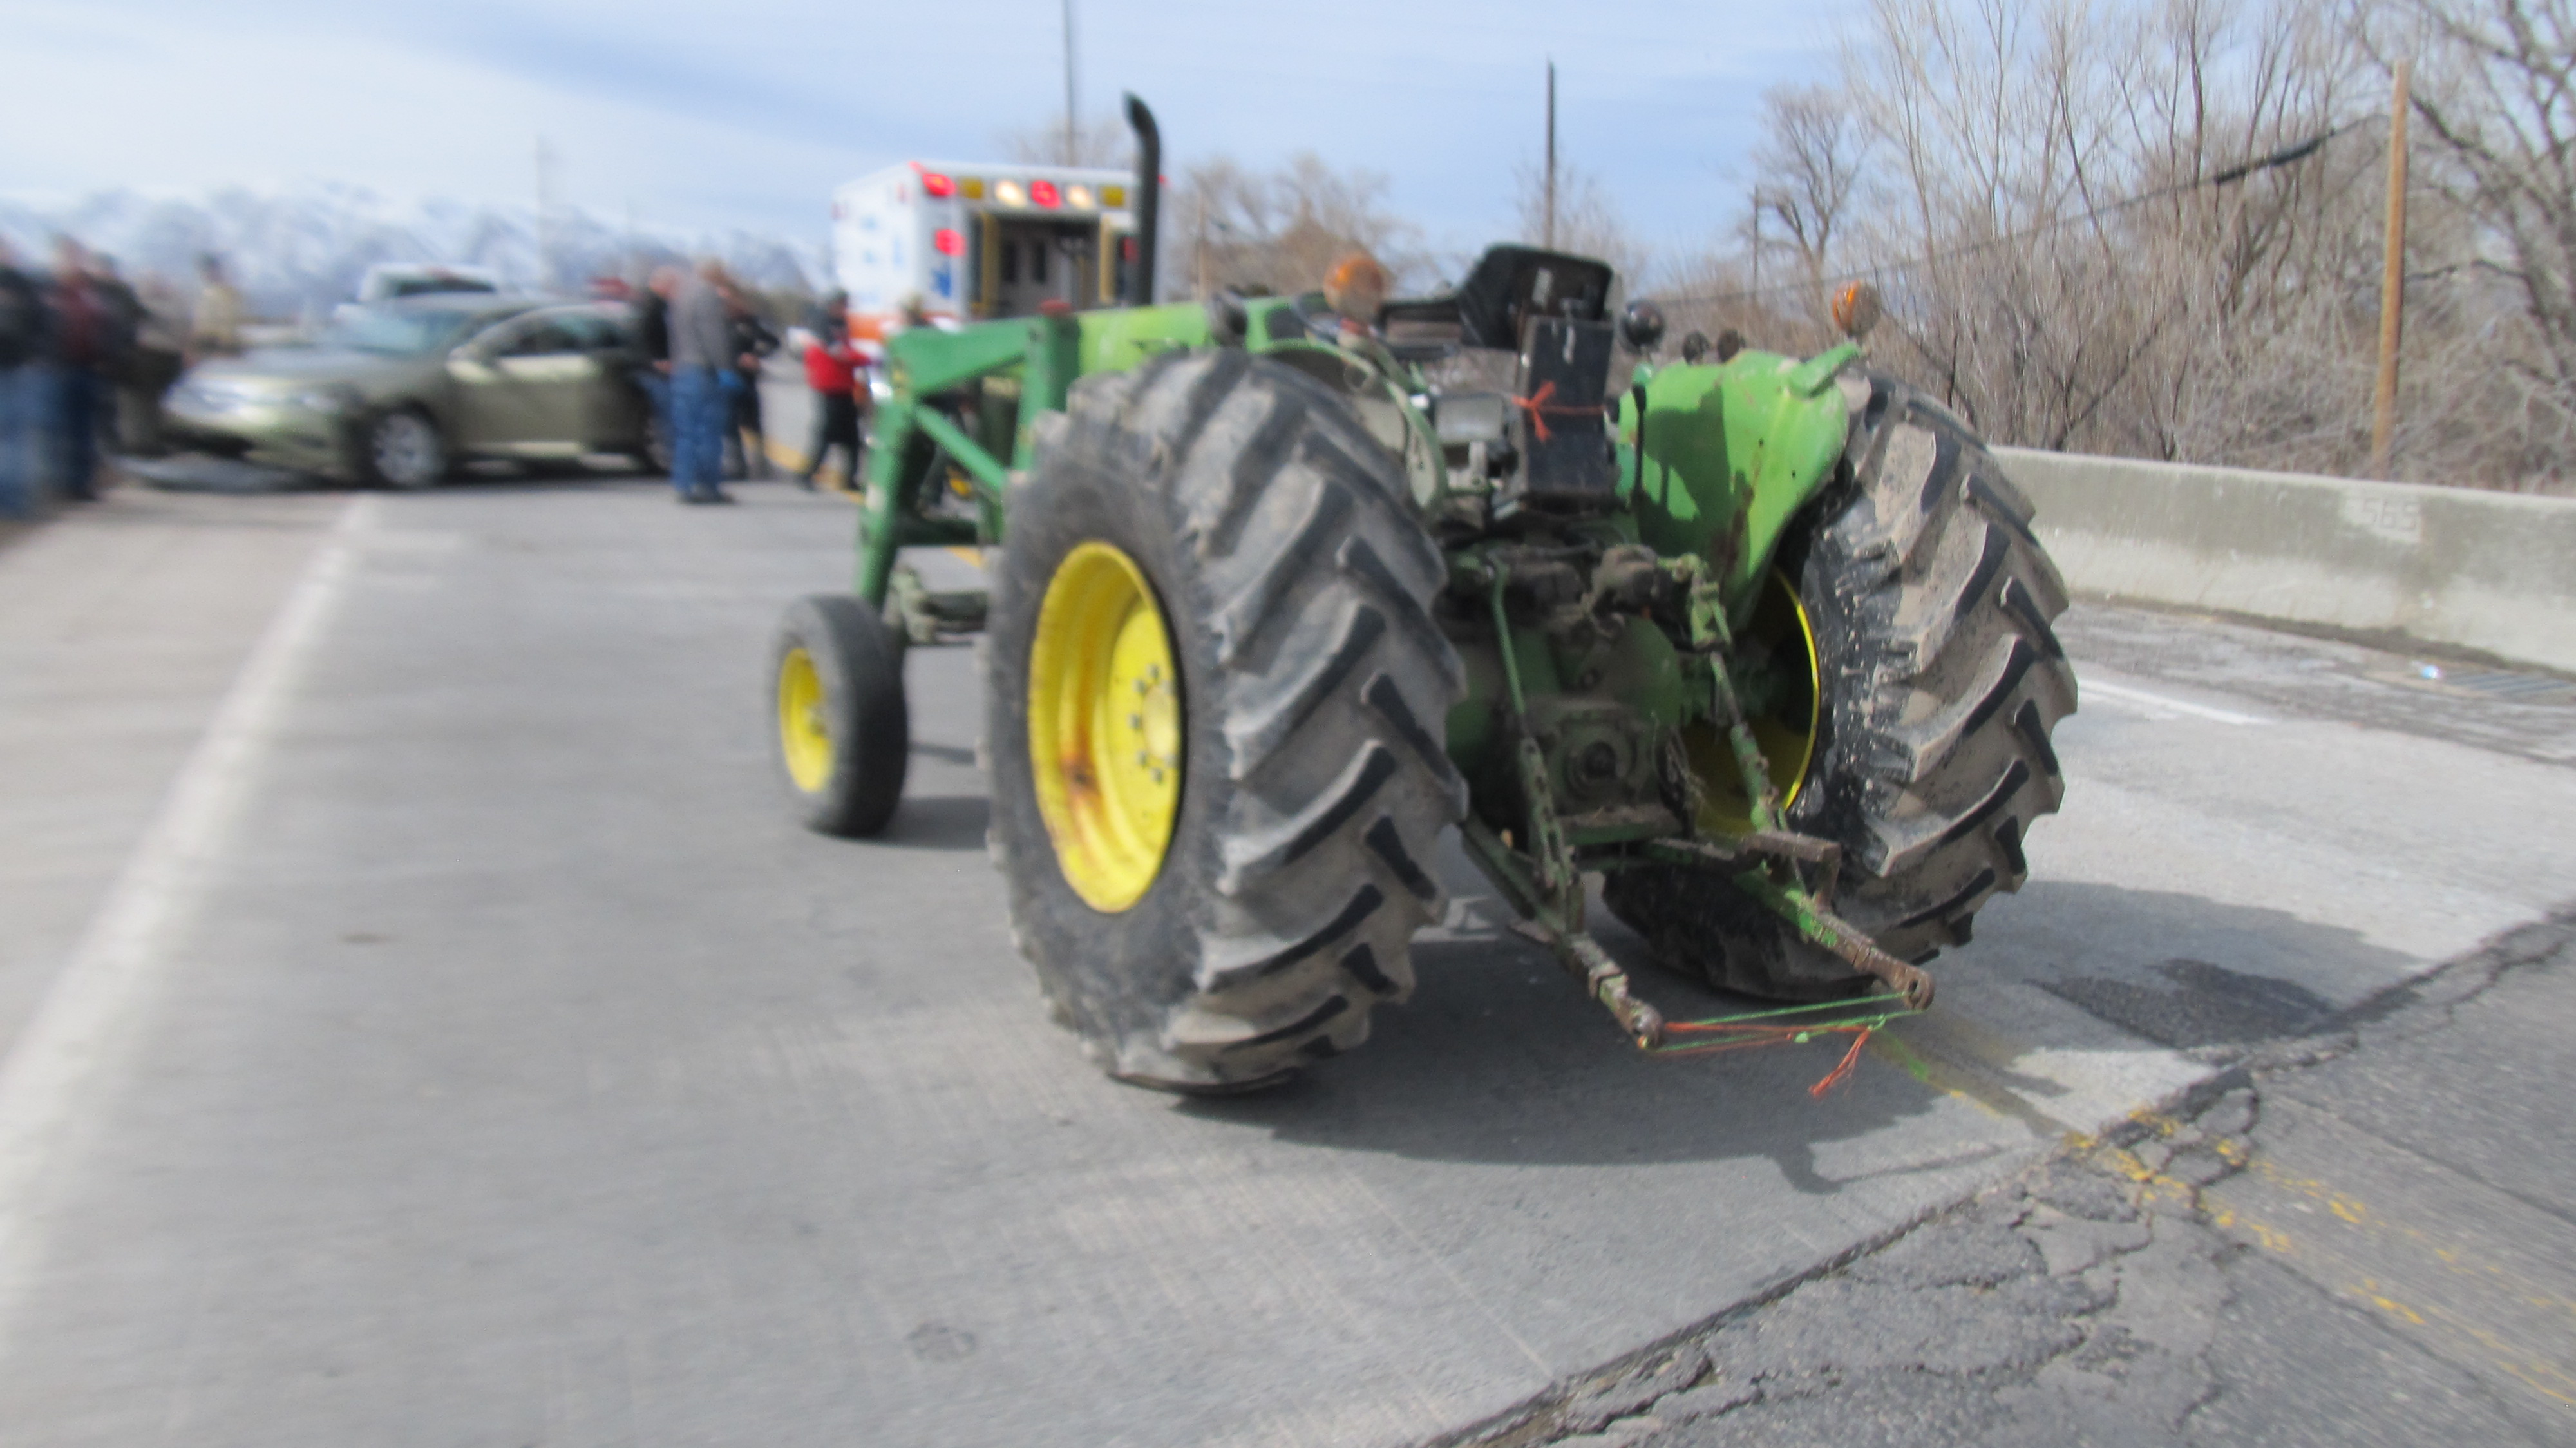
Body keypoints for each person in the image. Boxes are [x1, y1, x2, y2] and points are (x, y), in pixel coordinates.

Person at [44, 238, 111, 501]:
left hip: (88, 367)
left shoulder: (93, 291)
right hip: (57, 367)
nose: (73, 262)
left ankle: (80, 484)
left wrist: (107, 355)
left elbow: (108, 326)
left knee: (84, 429)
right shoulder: (47, 289)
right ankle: (56, 484)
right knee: (56, 427)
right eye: (67, 257)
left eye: (77, 257)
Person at [666, 260, 734, 504]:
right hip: (703, 370)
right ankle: (707, 487)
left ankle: (683, 485)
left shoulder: (682, 293)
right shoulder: (708, 294)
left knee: (685, 433)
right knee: (708, 432)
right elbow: (713, 335)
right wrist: (725, 368)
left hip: (682, 369)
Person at [797, 312, 867, 492]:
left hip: (844, 391)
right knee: (827, 435)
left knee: (851, 439)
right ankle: (806, 474)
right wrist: (871, 359)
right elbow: (846, 356)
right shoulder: (824, 343)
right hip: (831, 391)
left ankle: (849, 478)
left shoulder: (832, 342)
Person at [0, 238, 44, 519]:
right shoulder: (24, 284)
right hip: (17, 365)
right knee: (14, 437)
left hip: (14, 367)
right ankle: (15, 503)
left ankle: (11, 500)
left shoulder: (22, 284)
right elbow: (41, 324)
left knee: (11, 437)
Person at [719, 280, 779, 480]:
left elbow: (772, 341)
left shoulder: (748, 322)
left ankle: (762, 463)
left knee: (754, 421)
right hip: (727, 376)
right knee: (730, 422)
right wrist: (736, 360)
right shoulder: (718, 324)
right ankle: (737, 465)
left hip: (749, 378)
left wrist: (757, 354)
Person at [630, 267, 677, 469]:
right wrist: (657, 361)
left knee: (666, 414)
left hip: (649, 367)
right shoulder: (653, 306)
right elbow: (644, 338)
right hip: (653, 371)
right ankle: (671, 460)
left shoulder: (647, 304)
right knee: (667, 415)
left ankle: (671, 458)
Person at [187, 253, 243, 365]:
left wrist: (224, 347)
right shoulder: (201, 293)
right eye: (204, 271)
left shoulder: (227, 294)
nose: (207, 274)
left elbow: (228, 325)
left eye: (212, 270)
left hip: (221, 349)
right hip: (203, 348)